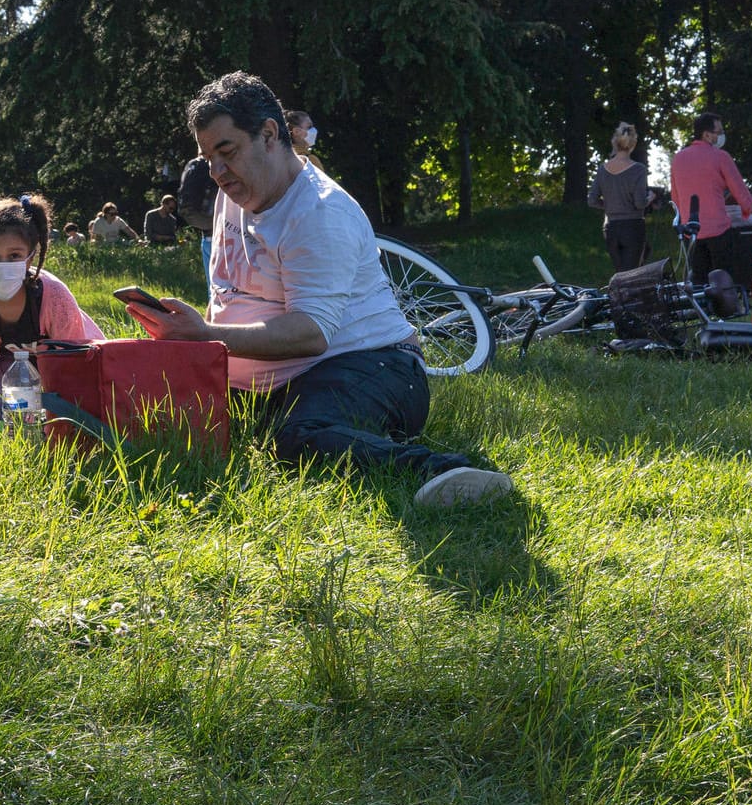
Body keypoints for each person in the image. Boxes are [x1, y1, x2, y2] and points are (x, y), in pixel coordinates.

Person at [128, 71, 511, 506]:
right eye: (206, 157)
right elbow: (233, 297)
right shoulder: (230, 195)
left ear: (269, 134)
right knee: (152, 404)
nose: (215, 171)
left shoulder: (320, 212)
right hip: (276, 383)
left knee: (297, 439)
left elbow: (311, 334)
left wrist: (206, 337)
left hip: (375, 367)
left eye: (226, 151)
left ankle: (446, 471)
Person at [0, 195, 105, 421]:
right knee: (5, 418)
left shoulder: (55, 296)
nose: (2, 265)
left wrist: (65, 426)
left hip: (64, 370)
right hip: (12, 371)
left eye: (14, 256)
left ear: (29, 258)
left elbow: (74, 369)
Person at [669, 112, 752, 288]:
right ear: (707, 134)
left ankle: (703, 310)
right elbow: (739, 190)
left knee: (699, 280)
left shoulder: (678, 158)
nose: (721, 135)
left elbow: (676, 196)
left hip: (691, 230)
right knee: (723, 278)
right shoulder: (720, 156)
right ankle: (727, 308)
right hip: (718, 228)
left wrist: (681, 221)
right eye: (719, 132)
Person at [588, 121, 652, 272]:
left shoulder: (602, 170)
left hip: (611, 228)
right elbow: (639, 203)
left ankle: (620, 294)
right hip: (633, 226)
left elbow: (592, 200)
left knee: (620, 272)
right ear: (633, 144)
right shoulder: (638, 170)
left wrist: (610, 205)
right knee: (632, 273)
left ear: (615, 142)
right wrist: (652, 198)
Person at [176, 154, 219, 282]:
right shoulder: (222, 163)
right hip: (223, 234)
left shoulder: (195, 165)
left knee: (214, 285)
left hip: (206, 235)